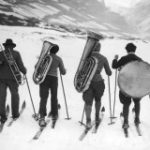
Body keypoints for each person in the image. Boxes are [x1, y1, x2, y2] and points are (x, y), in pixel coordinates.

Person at [112, 43, 142, 129]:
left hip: (125, 84)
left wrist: (115, 59)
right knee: (137, 102)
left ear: (127, 50)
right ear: (134, 50)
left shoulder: (124, 59)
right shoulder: (139, 60)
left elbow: (114, 66)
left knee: (126, 103)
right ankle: (137, 119)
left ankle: (125, 122)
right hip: (136, 85)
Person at [83, 42, 112, 128]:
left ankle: (88, 120)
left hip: (87, 81)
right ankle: (96, 117)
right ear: (99, 48)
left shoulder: (87, 57)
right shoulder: (103, 58)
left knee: (88, 101)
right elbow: (108, 72)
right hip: (99, 82)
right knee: (98, 99)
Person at [38, 44, 66, 127]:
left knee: (43, 97)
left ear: (50, 49)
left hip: (44, 78)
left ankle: (42, 117)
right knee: (54, 97)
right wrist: (64, 70)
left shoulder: (45, 57)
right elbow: (63, 72)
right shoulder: (58, 59)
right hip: (54, 79)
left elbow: (37, 67)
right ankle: (54, 114)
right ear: (57, 51)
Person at [0, 39, 27, 124]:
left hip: (2, 79)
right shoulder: (16, 54)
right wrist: (24, 71)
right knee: (15, 96)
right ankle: (15, 114)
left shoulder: (1, 54)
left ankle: (2, 116)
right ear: (12, 46)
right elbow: (20, 65)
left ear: (5, 46)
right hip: (13, 79)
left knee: (1, 97)